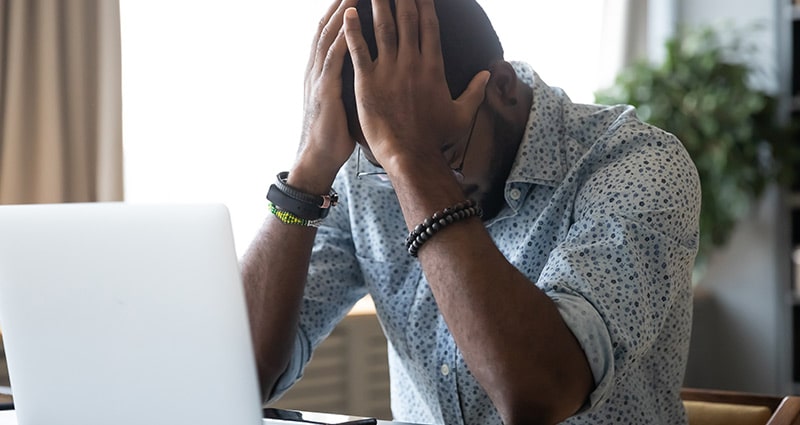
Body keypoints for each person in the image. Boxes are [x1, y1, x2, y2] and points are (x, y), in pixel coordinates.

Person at [241, 0, 701, 424]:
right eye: (385, 162)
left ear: (501, 86)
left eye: (444, 150)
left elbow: (539, 393)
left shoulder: (638, 165)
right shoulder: (371, 173)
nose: (401, 182)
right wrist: (306, 175)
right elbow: (239, 374)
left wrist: (413, 159)